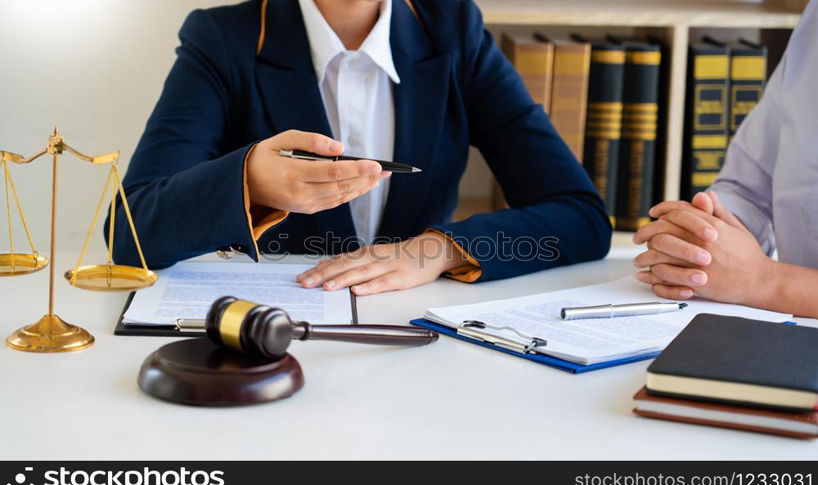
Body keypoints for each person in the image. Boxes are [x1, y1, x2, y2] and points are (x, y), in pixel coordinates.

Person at [109, 0, 611, 296]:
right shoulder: (224, 39)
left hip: (418, 339)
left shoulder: (453, 30)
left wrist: (439, 249)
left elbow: (582, 217)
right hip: (277, 331)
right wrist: (248, 181)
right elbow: (130, 232)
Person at [632, 0, 818, 318]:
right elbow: (747, 187)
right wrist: (704, 238)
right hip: (784, 333)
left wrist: (765, 280)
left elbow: (762, 280)